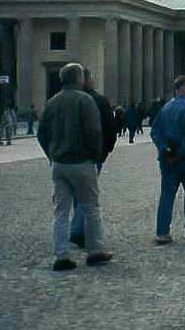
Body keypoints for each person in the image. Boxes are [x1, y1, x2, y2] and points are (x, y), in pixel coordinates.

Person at [37, 62, 112, 271]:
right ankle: (95, 250)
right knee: (90, 207)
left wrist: (51, 155)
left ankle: (61, 254)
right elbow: (94, 131)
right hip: (82, 162)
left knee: (61, 211)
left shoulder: (52, 102)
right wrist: (94, 155)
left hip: (59, 163)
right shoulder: (85, 100)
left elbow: (41, 133)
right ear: (79, 78)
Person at [151, 75, 185, 244]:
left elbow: (155, 132)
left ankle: (162, 231)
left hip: (167, 159)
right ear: (181, 88)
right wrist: (180, 153)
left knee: (167, 194)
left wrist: (165, 149)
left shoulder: (166, 107)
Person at [69, 69, 119, 249]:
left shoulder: (58, 99)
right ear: (84, 79)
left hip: (66, 156)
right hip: (91, 155)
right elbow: (108, 127)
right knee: (87, 195)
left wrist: (53, 153)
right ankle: (78, 230)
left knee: (73, 195)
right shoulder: (97, 100)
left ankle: (77, 225)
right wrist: (105, 150)